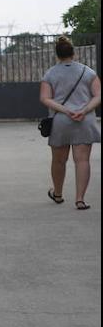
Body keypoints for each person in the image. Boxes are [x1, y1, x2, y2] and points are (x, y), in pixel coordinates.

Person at [40, 36, 101, 210]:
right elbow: (98, 95)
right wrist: (84, 110)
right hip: (85, 120)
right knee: (82, 161)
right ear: (74, 53)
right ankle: (80, 199)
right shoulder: (88, 72)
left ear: (57, 55)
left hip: (61, 120)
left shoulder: (50, 74)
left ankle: (58, 194)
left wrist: (65, 110)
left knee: (59, 161)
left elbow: (44, 98)